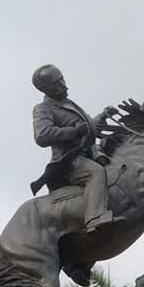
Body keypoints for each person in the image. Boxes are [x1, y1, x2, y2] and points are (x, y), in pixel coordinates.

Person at [30, 63, 123, 233]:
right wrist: (73, 131)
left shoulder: (69, 104)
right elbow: (42, 135)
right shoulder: (43, 108)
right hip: (69, 161)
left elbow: (87, 129)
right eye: (55, 84)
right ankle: (95, 218)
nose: (62, 85)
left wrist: (103, 116)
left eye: (61, 79)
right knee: (96, 173)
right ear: (44, 89)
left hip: (90, 154)